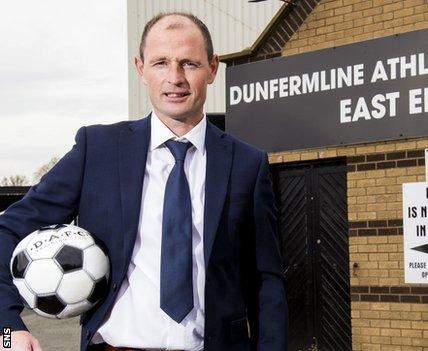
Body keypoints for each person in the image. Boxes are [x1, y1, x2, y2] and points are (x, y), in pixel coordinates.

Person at [0, 12, 287, 351]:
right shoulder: (98, 150)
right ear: (140, 69)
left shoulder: (247, 163)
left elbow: (266, 280)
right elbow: (9, 230)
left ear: (212, 68)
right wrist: (7, 329)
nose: (174, 78)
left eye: (189, 64)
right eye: (161, 63)